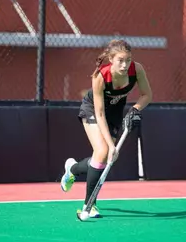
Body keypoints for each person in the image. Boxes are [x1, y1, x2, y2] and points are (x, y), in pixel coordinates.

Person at [60, 39, 153, 218]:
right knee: (103, 150)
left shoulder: (137, 69)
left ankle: (72, 169)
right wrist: (111, 145)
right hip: (93, 110)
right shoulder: (100, 77)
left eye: (128, 60)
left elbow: (147, 95)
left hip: (116, 113)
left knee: (101, 159)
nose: (125, 65)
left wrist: (134, 110)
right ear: (111, 59)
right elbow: (100, 113)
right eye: (120, 60)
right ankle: (90, 204)